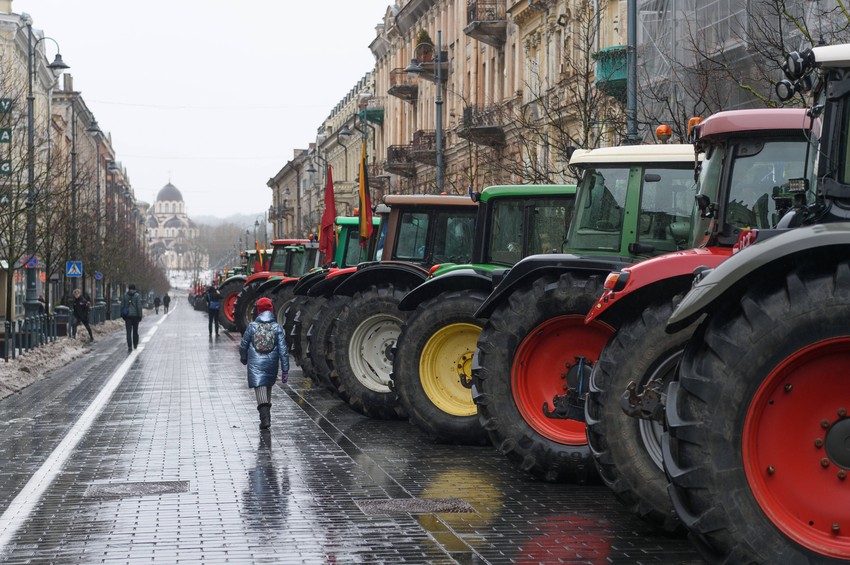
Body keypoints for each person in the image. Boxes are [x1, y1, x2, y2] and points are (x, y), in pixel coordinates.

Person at [239, 297, 289, 430]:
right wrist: (285, 370)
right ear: (271, 310)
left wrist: (243, 358)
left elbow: (243, 345)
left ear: (258, 311)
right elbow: (283, 350)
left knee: (259, 388)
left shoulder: (252, 326)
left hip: (256, 364)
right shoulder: (276, 327)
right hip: (271, 364)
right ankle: (267, 418)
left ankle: (265, 419)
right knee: (267, 388)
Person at [121, 283, 143, 352]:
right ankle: (135, 344)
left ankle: (129, 346)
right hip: (135, 316)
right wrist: (140, 316)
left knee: (128, 332)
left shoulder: (125, 295)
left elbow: (122, 306)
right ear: (134, 288)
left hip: (127, 316)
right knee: (135, 331)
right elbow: (139, 306)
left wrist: (123, 315)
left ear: (129, 288)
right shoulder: (137, 296)